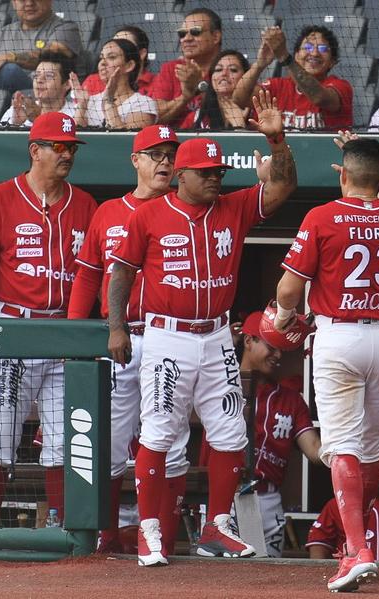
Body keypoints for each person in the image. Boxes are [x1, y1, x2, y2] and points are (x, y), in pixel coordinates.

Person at [107, 90, 296, 566]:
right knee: (160, 432)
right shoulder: (149, 214)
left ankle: (217, 525)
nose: (215, 179)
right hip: (166, 333)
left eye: (219, 173)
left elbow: (283, 187)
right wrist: (116, 328)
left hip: (216, 336)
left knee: (231, 432)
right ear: (182, 175)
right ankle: (149, 530)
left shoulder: (232, 207)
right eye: (207, 173)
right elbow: (121, 273)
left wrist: (277, 141)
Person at [272, 133, 379, 591]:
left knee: (341, 447)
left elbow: (286, 290)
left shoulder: (322, 215)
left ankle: (356, 550)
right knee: (371, 447)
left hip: (339, 335)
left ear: (342, 175)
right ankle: (356, 545)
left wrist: (283, 319)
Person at [0, 112, 97, 528]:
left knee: (61, 442)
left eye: (71, 147)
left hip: (63, 333)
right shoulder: (0, 196)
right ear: (35, 151)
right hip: (14, 328)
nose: (67, 154)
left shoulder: (86, 204)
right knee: (0, 436)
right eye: (59, 146)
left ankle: (61, 529)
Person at [67, 125, 192, 555]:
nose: (164, 163)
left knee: (170, 445)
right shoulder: (108, 211)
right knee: (112, 444)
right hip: (120, 340)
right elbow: (88, 275)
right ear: (135, 160)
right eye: (154, 154)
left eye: (170, 155)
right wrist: (74, 335)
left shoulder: (189, 209)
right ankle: (104, 539)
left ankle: (164, 540)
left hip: (169, 338)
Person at [203, 309, 321, 557]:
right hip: (225, 497)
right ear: (249, 340)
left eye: (281, 348)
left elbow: (315, 452)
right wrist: (223, 346)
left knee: (267, 580)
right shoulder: (219, 382)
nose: (278, 354)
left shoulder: (291, 400)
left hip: (268, 499)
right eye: (271, 346)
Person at [233, 25, 353, 130]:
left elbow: (319, 97)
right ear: (296, 55)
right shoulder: (277, 87)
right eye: (308, 47)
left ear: (332, 61)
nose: (315, 53)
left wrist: (285, 56)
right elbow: (239, 99)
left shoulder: (341, 86)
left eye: (323, 49)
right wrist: (259, 64)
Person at [0, 0, 82, 93]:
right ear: (14, 3)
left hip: (39, 92)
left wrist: (7, 57)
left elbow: (50, 56)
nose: (29, 3)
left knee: (9, 71)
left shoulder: (66, 28)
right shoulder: (3, 33)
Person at [146, 7, 223, 127]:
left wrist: (200, 86)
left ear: (215, 37)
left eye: (195, 32)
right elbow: (155, 117)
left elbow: (231, 107)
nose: (186, 39)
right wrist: (185, 97)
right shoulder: (171, 69)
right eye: (182, 34)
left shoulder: (229, 67)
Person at [71, 39, 157, 130]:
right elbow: (74, 139)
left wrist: (109, 103)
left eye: (111, 57)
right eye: (101, 58)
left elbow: (123, 142)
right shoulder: (88, 101)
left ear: (129, 65)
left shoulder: (142, 103)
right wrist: (82, 105)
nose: (102, 63)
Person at [0, 52, 75, 127]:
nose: (39, 80)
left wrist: (38, 119)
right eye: (36, 75)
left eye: (49, 76)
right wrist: (15, 124)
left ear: (67, 84)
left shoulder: (77, 113)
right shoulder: (16, 110)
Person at [180, 50, 251, 130]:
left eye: (233, 70)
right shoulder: (196, 118)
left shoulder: (256, 114)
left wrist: (239, 124)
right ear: (211, 77)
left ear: (245, 78)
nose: (224, 73)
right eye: (218, 70)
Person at [82, 26, 155, 96]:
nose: (116, 46)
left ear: (142, 53)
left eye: (125, 44)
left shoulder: (158, 84)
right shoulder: (92, 81)